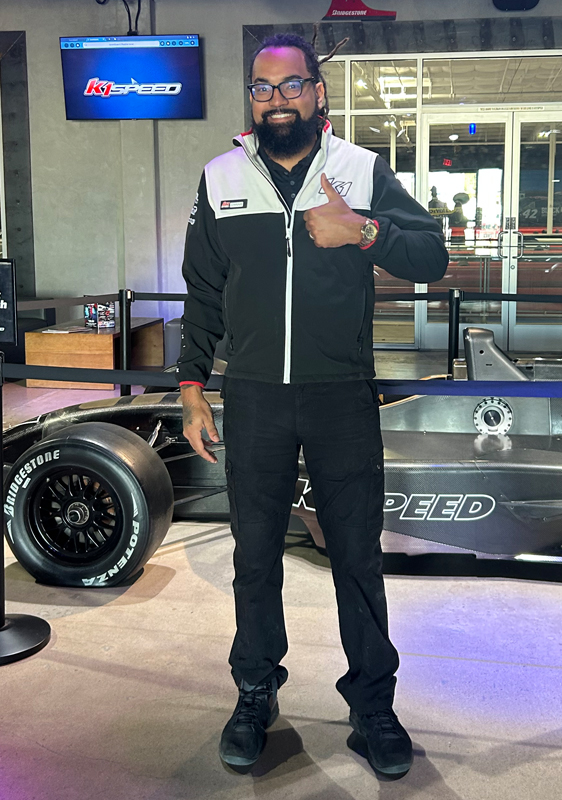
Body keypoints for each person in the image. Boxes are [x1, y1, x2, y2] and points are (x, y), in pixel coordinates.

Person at [177, 32, 448, 777]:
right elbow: (203, 292)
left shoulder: (361, 169)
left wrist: (364, 231)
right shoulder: (221, 177)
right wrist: (192, 387)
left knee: (356, 555)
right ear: (252, 99)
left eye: (291, 85)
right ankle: (255, 692)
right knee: (255, 555)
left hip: (341, 395)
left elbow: (432, 255)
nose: (277, 100)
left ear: (318, 92)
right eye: (263, 89)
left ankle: (373, 707)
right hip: (255, 396)